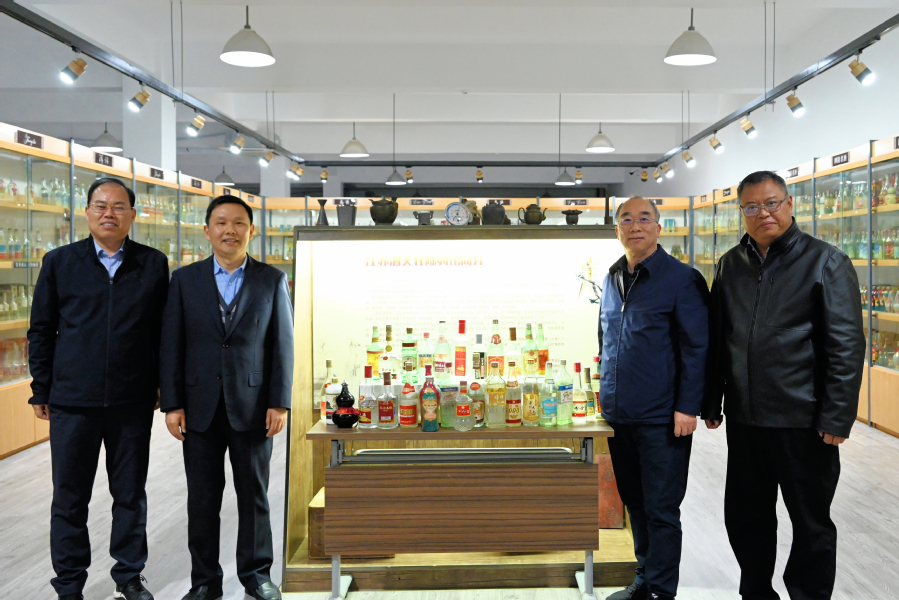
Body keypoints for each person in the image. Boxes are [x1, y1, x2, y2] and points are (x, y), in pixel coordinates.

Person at [702, 171, 865, 600]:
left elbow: (846, 345)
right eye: (752, 207)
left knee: (810, 524)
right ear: (742, 212)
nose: (763, 213)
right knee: (745, 518)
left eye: (771, 203)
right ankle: (756, 593)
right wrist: (712, 400)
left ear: (789, 204)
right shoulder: (730, 264)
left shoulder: (825, 261)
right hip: (746, 420)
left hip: (803, 422)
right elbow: (720, 337)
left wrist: (837, 416)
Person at [28, 178, 169, 600]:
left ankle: (129, 575)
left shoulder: (152, 263)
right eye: (101, 205)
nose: (109, 213)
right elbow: (41, 330)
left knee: (130, 494)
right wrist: (41, 388)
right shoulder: (59, 262)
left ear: (132, 214)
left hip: (132, 400)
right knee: (69, 498)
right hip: (72, 402)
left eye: (119, 206)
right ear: (87, 211)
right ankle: (69, 583)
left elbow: (163, 333)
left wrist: (162, 388)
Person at [159, 195, 294, 600]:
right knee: (202, 499)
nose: (229, 231)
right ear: (207, 231)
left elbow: (282, 345)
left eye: (238, 223)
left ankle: (257, 576)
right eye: (221, 223)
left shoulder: (271, 280)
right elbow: (171, 344)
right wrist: (172, 403)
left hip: (253, 407)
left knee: (254, 496)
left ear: (251, 231)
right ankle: (205, 581)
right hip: (198, 408)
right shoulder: (184, 280)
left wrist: (279, 402)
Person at [598, 196, 710, 600]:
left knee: (661, 509)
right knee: (635, 503)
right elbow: (606, 339)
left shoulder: (682, 279)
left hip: (662, 418)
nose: (635, 226)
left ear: (658, 228)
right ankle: (644, 580)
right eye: (626, 219)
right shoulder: (613, 277)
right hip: (620, 415)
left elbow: (697, 347)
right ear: (617, 230)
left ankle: (662, 591)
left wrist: (688, 407)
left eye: (644, 218)